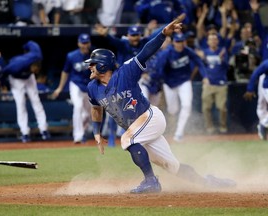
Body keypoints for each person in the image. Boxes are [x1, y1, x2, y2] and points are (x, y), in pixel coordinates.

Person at [85, 14, 236, 194]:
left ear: (103, 66)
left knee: (127, 139)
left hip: (149, 118)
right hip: (139, 128)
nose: (89, 67)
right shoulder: (92, 87)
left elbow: (146, 51)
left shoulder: (125, 72)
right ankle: (208, 182)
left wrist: (163, 33)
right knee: (172, 166)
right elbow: (96, 108)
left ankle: (151, 182)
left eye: (93, 64)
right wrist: (96, 132)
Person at [0, 40, 50, 143]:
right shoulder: (16, 66)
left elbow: (31, 43)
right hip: (16, 79)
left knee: (36, 101)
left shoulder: (37, 54)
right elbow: (1, 75)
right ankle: (25, 132)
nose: (36, 71)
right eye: (35, 68)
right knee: (20, 103)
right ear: (31, 65)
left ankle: (44, 130)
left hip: (28, 78)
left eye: (37, 69)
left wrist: (25, 47)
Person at [156, 32, 208, 142]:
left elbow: (199, 61)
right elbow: (159, 69)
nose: (180, 44)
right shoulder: (167, 53)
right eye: (177, 41)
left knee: (187, 105)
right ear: (173, 42)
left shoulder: (187, 50)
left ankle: (179, 133)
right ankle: (171, 126)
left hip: (184, 81)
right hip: (170, 84)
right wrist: (161, 83)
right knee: (172, 109)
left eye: (182, 41)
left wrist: (205, 76)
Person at [51, 33, 93, 144]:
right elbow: (65, 72)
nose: (85, 45)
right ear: (79, 44)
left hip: (89, 85)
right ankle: (78, 136)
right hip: (76, 84)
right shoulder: (72, 56)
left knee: (87, 114)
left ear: (90, 43)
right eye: (83, 43)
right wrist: (60, 88)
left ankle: (82, 132)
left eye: (87, 43)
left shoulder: (94, 56)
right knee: (78, 107)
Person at [197, 33, 229, 134]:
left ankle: (223, 127)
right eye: (211, 39)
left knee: (222, 108)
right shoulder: (205, 52)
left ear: (218, 41)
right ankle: (209, 127)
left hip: (221, 83)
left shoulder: (222, 51)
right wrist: (204, 77)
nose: (213, 41)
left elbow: (227, 66)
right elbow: (201, 67)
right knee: (206, 108)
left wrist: (222, 59)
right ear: (207, 42)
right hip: (208, 83)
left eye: (215, 39)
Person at [243, 59, 268, 140]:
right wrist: (250, 88)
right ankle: (263, 124)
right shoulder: (266, 63)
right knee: (261, 105)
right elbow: (256, 73)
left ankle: (263, 123)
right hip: (267, 88)